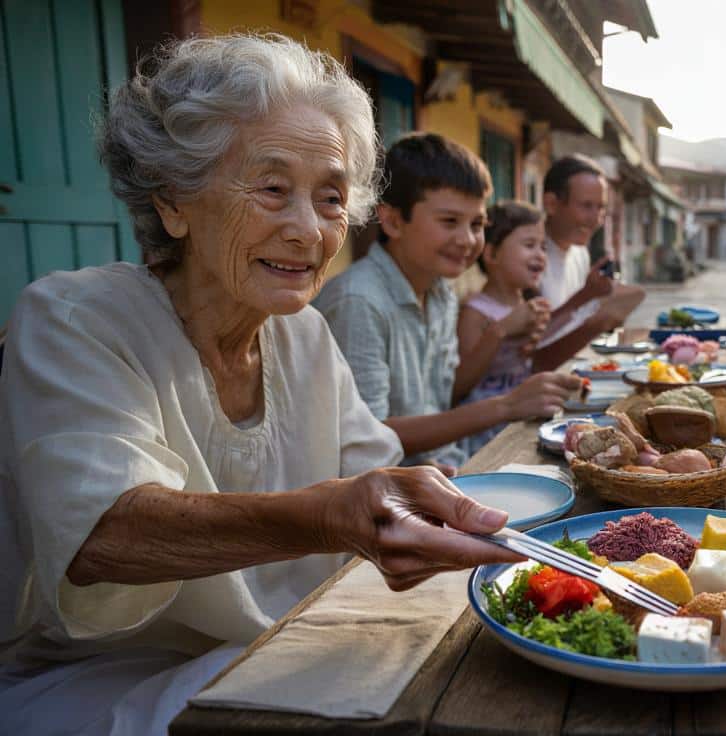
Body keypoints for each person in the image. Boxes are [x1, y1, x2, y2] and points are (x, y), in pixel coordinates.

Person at [0, 34, 523, 735]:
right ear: (174, 202)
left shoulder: (304, 337)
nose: (308, 230)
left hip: (278, 649)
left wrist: (453, 519)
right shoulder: (75, 319)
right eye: (272, 189)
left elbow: (376, 482)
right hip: (96, 678)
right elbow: (102, 536)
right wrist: (328, 516)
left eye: (332, 198)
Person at [315, 133, 577, 469]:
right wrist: (507, 405)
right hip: (386, 494)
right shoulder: (359, 302)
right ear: (394, 221)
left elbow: (446, 397)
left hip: (448, 465)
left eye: (477, 224)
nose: (467, 240)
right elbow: (369, 435)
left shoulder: (441, 294)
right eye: (450, 221)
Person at [455, 201, 554, 456]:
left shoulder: (529, 306)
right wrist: (501, 331)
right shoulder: (476, 312)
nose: (540, 255)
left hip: (525, 414)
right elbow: (462, 383)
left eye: (543, 247)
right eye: (529, 245)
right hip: (485, 427)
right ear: (492, 254)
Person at [532, 154, 645, 362]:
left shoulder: (580, 253)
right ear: (551, 204)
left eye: (601, 208)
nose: (596, 220)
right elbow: (529, 346)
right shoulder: (530, 258)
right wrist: (585, 296)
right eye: (586, 206)